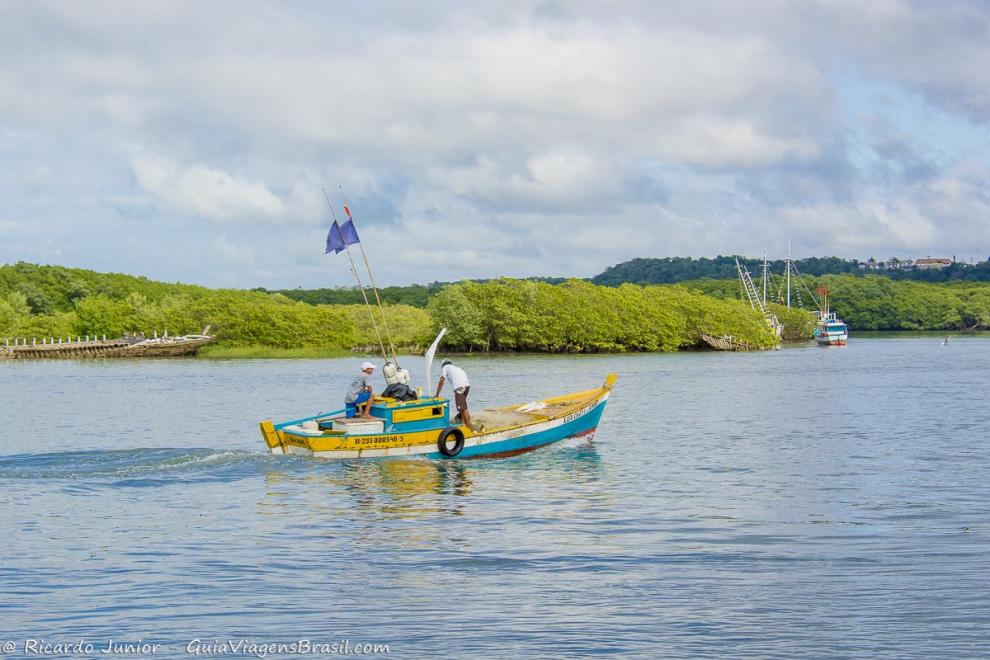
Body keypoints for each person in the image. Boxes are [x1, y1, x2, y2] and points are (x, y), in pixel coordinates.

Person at [435, 358, 473, 429]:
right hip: (467, 386)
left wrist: (437, 394)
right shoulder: (457, 368)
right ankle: (464, 423)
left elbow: (441, 381)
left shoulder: (445, 367)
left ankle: (469, 427)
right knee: (461, 407)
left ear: (442, 365)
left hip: (459, 387)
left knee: (463, 408)